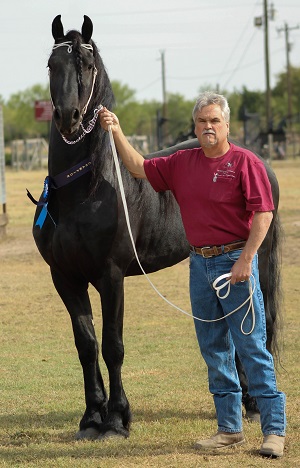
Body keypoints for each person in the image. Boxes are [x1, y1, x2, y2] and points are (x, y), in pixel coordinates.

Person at [99, 91, 286, 458]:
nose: (208, 127)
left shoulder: (246, 163)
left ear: (226, 124)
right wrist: (117, 131)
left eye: (215, 120)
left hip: (235, 265)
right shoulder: (182, 163)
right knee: (214, 350)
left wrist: (247, 259)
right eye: (202, 121)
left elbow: (264, 214)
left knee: (251, 348)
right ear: (195, 126)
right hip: (199, 265)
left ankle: (274, 430)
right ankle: (229, 429)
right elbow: (138, 167)